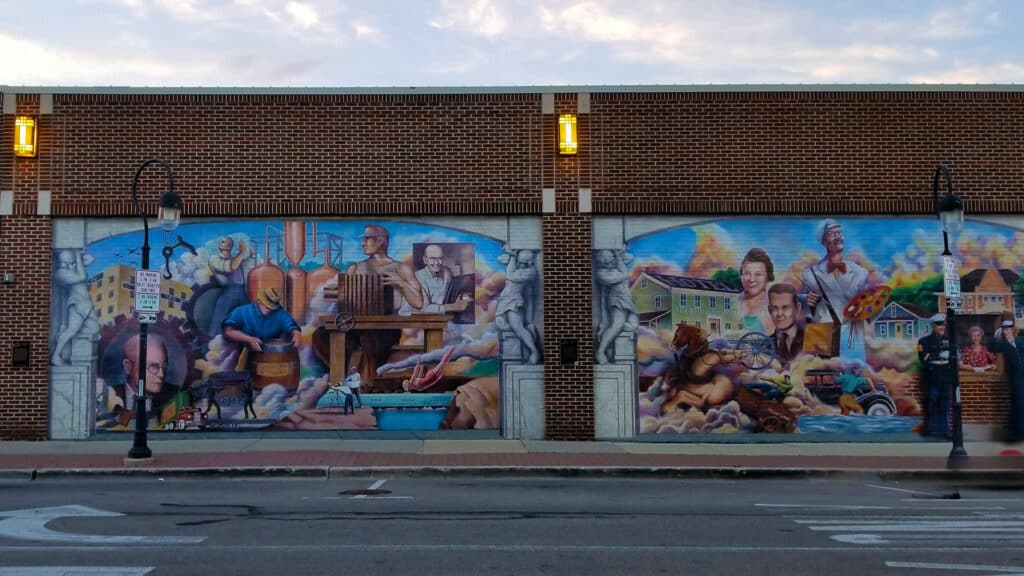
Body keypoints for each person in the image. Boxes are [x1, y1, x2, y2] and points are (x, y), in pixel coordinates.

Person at [345, 224, 423, 313]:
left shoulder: (402, 268)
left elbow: (418, 303)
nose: (363, 244)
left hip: (391, 324)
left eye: (366, 239)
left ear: (379, 241)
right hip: (360, 323)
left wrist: (402, 283)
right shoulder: (354, 268)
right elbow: (345, 301)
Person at [114, 333, 183, 428]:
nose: (161, 375)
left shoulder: (174, 394)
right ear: (128, 366)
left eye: (164, 367)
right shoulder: (111, 394)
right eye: (154, 367)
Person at [51, 249, 98, 365]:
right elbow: (82, 277)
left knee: (95, 329)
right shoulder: (61, 273)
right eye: (69, 263)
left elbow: (91, 259)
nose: (72, 265)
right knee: (71, 330)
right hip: (77, 303)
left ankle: (69, 351)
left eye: (72, 263)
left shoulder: (74, 267)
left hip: (86, 303)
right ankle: (56, 355)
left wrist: (79, 256)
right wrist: (77, 254)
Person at [495, 247, 541, 365]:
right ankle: (529, 332)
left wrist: (511, 257)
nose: (520, 264)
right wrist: (511, 256)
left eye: (522, 263)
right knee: (501, 324)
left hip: (514, 302)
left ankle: (534, 351)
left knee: (518, 328)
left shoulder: (529, 272)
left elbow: (510, 275)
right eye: (519, 262)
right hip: (505, 301)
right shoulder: (519, 268)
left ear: (530, 262)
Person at [594, 249, 639, 365]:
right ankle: (601, 351)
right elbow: (623, 275)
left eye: (610, 258)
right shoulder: (601, 273)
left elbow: (629, 257)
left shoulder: (613, 268)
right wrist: (618, 259)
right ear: (601, 261)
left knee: (632, 324)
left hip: (625, 296)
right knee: (617, 324)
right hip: (618, 298)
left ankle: (609, 349)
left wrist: (617, 253)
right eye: (607, 260)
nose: (609, 261)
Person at [222, 287, 301, 352]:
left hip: (271, 355)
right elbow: (228, 331)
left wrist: (296, 333)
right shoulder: (242, 311)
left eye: (272, 308)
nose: (270, 309)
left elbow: (291, 325)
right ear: (259, 301)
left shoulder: (279, 313)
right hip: (243, 354)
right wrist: (250, 339)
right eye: (267, 306)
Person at [402, 244, 471, 315]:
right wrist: (454, 306)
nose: (437, 262)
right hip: (411, 318)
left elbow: (451, 292)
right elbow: (424, 308)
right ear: (425, 260)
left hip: (436, 318)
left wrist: (457, 278)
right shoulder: (418, 277)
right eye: (432, 259)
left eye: (440, 258)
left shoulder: (446, 272)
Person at [206, 235, 254, 336]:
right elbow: (231, 267)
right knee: (218, 322)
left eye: (223, 242)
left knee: (250, 319)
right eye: (220, 242)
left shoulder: (235, 259)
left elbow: (239, 263)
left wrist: (248, 255)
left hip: (241, 292)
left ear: (229, 247)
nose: (220, 243)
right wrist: (241, 252)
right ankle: (211, 344)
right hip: (227, 292)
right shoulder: (214, 259)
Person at [987, 319, 1024, 442]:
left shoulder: (1021, 341)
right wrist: (995, 335)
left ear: (1013, 329)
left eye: (1009, 329)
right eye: (1005, 330)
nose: (1007, 331)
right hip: (1015, 380)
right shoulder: (1002, 344)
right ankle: (1018, 433)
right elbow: (990, 347)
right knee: (1017, 406)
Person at [918, 313, 952, 438]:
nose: (942, 327)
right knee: (930, 404)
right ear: (933, 326)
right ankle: (928, 430)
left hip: (945, 374)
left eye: (943, 324)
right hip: (932, 375)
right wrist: (938, 354)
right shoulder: (924, 341)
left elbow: (955, 356)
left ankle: (944, 431)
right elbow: (923, 359)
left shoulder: (949, 340)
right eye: (939, 324)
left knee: (945, 404)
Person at [739, 248, 775, 334]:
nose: (752, 279)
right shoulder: (731, 302)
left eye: (758, 274)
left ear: (768, 276)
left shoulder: (775, 304)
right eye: (747, 273)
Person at [767, 283, 804, 362]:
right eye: (774, 308)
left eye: (785, 307)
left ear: (797, 308)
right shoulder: (763, 346)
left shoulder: (812, 339)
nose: (779, 314)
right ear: (769, 310)